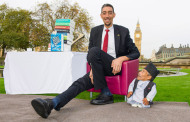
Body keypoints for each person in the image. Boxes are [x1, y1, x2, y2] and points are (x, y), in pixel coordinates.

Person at [31, 3, 140, 118]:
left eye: (109, 13)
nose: (107, 15)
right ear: (101, 15)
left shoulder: (123, 31)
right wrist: (94, 68)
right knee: (80, 83)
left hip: (114, 67)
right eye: (104, 13)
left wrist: (121, 59)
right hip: (99, 68)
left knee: (94, 51)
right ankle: (52, 103)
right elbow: (90, 56)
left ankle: (106, 93)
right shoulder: (95, 31)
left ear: (114, 15)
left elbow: (136, 53)